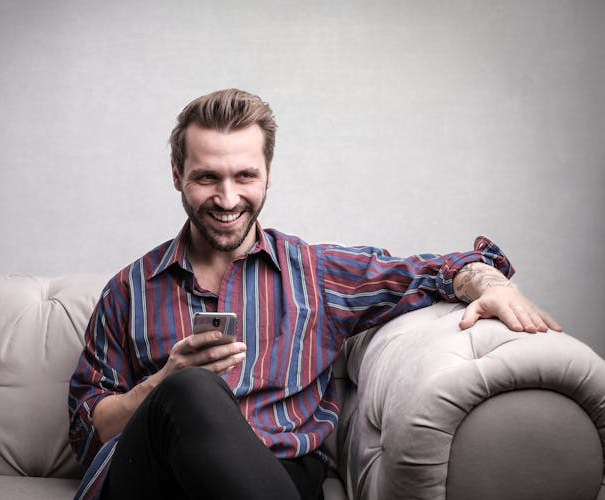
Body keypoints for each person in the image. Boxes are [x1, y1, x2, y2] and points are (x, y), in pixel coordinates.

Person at [68, 89, 561, 500]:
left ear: (267, 175)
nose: (227, 197)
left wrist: (490, 284)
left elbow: (433, 270)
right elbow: (88, 431)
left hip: (277, 475)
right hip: (156, 482)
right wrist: (165, 382)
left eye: (244, 176)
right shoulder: (129, 290)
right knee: (190, 389)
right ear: (178, 175)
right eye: (206, 177)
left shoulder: (315, 273)